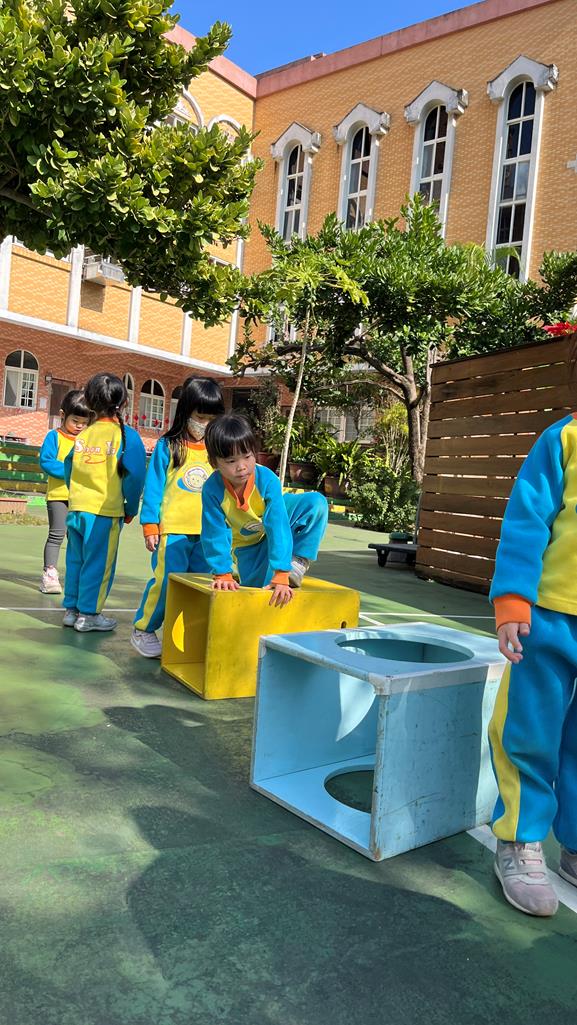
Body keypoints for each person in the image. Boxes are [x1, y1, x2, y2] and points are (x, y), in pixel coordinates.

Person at [489, 409, 577, 917]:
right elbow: (527, 519)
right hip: (547, 618)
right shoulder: (564, 438)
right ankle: (519, 838)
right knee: (530, 730)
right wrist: (512, 600)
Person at [131, 377, 225, 658]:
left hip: (208, 535)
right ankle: (144, 628)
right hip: (172, 532)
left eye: (212, 419)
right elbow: (154, 488)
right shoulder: (169, 445)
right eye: (200, 417)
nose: (205, 424)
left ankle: (187, 638)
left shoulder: (218, 450)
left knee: (199, 588)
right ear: (185, 412)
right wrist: (150, 525)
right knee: (166, 582)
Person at [201, 413, 328, 605]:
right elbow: (214, 532)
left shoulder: (266, 479)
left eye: (247, 456)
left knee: (315, 503)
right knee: (258, 595)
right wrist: (222, 573)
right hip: (247, 547)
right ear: (214, 462)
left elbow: (278, 524)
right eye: (231, 461)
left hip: (274, 527)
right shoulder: (212, 489)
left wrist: (282, 571)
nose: (241, 467)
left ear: (255, 453)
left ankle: (297, 562)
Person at [62, 372, 146, 633]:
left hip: (77, 508)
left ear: (88, 401)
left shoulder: (84, 434)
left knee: (76, 560)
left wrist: (77, 495)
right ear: (124, 402)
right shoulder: (126, 436)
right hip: (104, 513)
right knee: (98, 563)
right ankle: (89, 614)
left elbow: (68, 467)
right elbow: (135, 477)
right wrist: (130, 508)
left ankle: (71, 610)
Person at [38, 389, 91, 594]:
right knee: (56, 535)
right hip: (58, 496)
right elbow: (47, 461)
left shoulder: (87, 440)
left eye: (84, 422)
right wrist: (71, 472)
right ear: (63, 415)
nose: (80, 426)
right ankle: (49, 574)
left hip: (81, 498)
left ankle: (75, 576)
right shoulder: (54, 437)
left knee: (76, 538)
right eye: (75, 421)